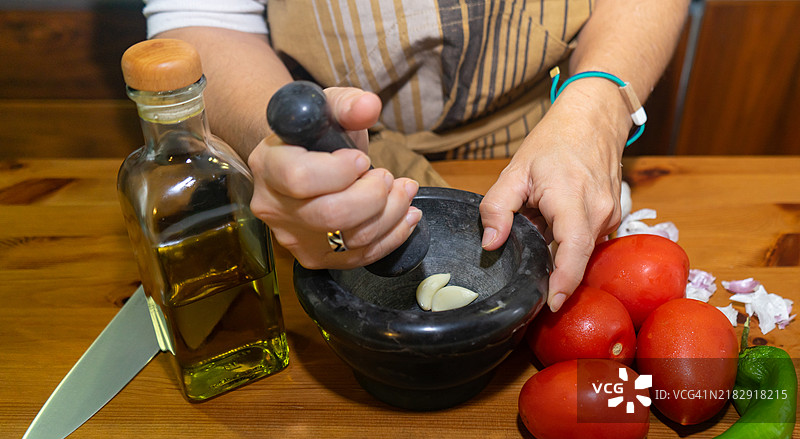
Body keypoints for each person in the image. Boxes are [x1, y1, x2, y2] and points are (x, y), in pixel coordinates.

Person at [143, 0, 689, 312]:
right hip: (349, 152)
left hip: (549, 134)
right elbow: (202, 17)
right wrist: (289, 156)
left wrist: (596, 111)